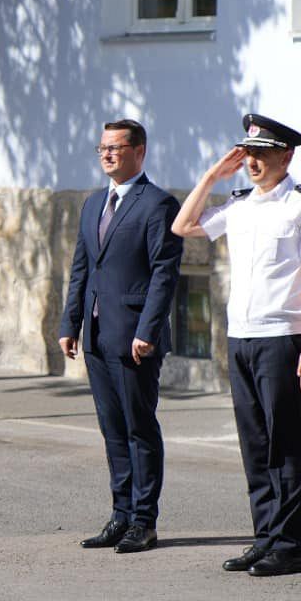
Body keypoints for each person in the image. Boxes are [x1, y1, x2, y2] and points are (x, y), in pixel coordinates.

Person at [172, 113, 301, 577]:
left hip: (283, 337)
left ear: (287, 155)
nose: (253, 163)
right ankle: (265, 537)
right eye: (248, 154)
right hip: (240, 336)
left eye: (262, 154)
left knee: (285, 443)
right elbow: (184, 226)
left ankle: (289, 545)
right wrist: (210, 176)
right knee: (254, 444)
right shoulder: (238, 204)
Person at [58, 119, 184, 554]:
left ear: (139, 151)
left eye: (116, 147)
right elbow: (82, 268)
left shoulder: (158, 205)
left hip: (134, 339)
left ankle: (144, 520)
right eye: (102, 148)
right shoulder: (94, 204)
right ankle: (121, 513)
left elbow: (164, 275)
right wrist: (69, 324)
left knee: (139, 429)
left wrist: (148, 330)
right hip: (96, 336)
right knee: (113, 431)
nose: (107, 154)